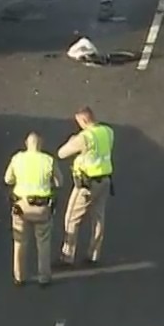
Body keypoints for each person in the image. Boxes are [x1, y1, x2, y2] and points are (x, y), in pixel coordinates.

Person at [56, 107, 115, 268]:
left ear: (83, 120)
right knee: (98, 218)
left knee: (71, 218)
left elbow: (62, 153)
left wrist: (72, 139)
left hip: (86, 185)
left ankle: (67, 256)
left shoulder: (84, 138)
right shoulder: (108, 132)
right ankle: (94, 254)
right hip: (105, 181)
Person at [4, 133, 61, 287]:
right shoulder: (48, 160)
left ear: (26, 143)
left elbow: (7, 179)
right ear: (40, 144)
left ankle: (19, 276)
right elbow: (59, 182)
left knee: (20, 241)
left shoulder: (17, 159)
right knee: (43, 242)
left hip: (21, 206)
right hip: (42, 207)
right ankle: (44, 277)